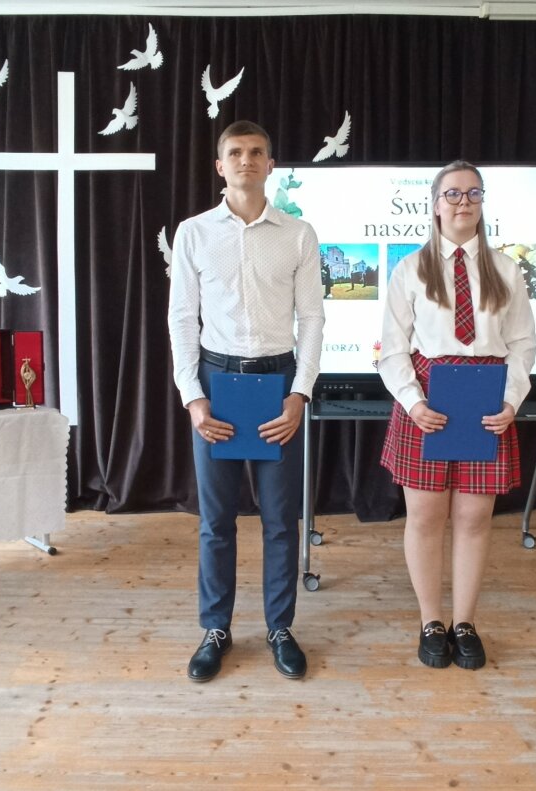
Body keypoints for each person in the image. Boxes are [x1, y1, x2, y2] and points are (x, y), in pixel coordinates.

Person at [168, 120, 325, 683]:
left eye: (257, 152)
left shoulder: (298, 234)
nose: (246, 160)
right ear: (220, 165)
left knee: (281, 521)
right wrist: (193, 398)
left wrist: (300, 393)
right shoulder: (194, 233)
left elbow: (312, 319)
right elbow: (182, 319)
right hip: (217, 385)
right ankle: (216, 628)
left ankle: (280, 627)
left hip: (277, 384)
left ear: (270, 164)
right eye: (235, 152)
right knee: (216, 521)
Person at [377, 161, 536, 670]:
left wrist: (511, 401)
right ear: (435, 204)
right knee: (426, 517)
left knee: (473, 519)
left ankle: (464, 623)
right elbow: (393, 349)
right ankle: (431, 622)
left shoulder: (506, 269)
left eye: (473, 193)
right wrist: (414, 402)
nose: (463, 202)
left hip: (486, 401)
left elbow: (523, 344)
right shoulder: (410, 269)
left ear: (482, 202)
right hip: (428, 401)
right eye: (453, 193)